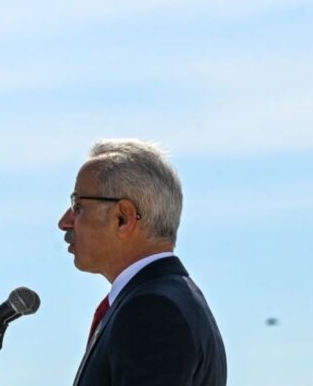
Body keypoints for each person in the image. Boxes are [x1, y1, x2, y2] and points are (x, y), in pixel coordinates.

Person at [58, 139, 226, 386]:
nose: (65, 221)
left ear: (123, 218)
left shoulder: (153, 310)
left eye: (78, 205)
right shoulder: (170, 299)